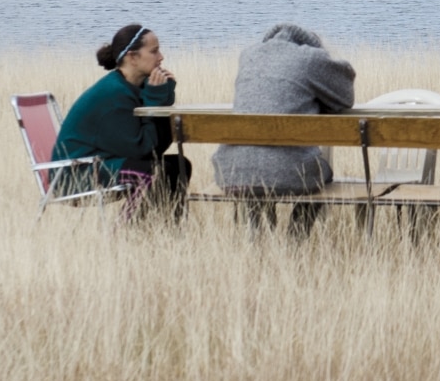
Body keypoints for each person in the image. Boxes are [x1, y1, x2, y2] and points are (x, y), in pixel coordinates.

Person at [212, 23, 356, 236]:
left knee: (257, 169)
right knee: (322, 174)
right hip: (289, 175)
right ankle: (295, 236)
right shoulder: (309, 58)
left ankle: (256, 233)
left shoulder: (248, 56)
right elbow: (345, 97)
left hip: (232, 174)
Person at [51, 23, 191, 220]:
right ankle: (127, 231)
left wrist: (163, 95)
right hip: (75, 175)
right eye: (154, 51)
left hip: (102, 163)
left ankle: (165, 231)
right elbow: (144, 149)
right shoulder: (114, 95)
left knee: (178, 164)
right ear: (132, 57)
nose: (161, 57)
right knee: (152, 172)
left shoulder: (131, 87)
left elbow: (156, 145)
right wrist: (156, 101)